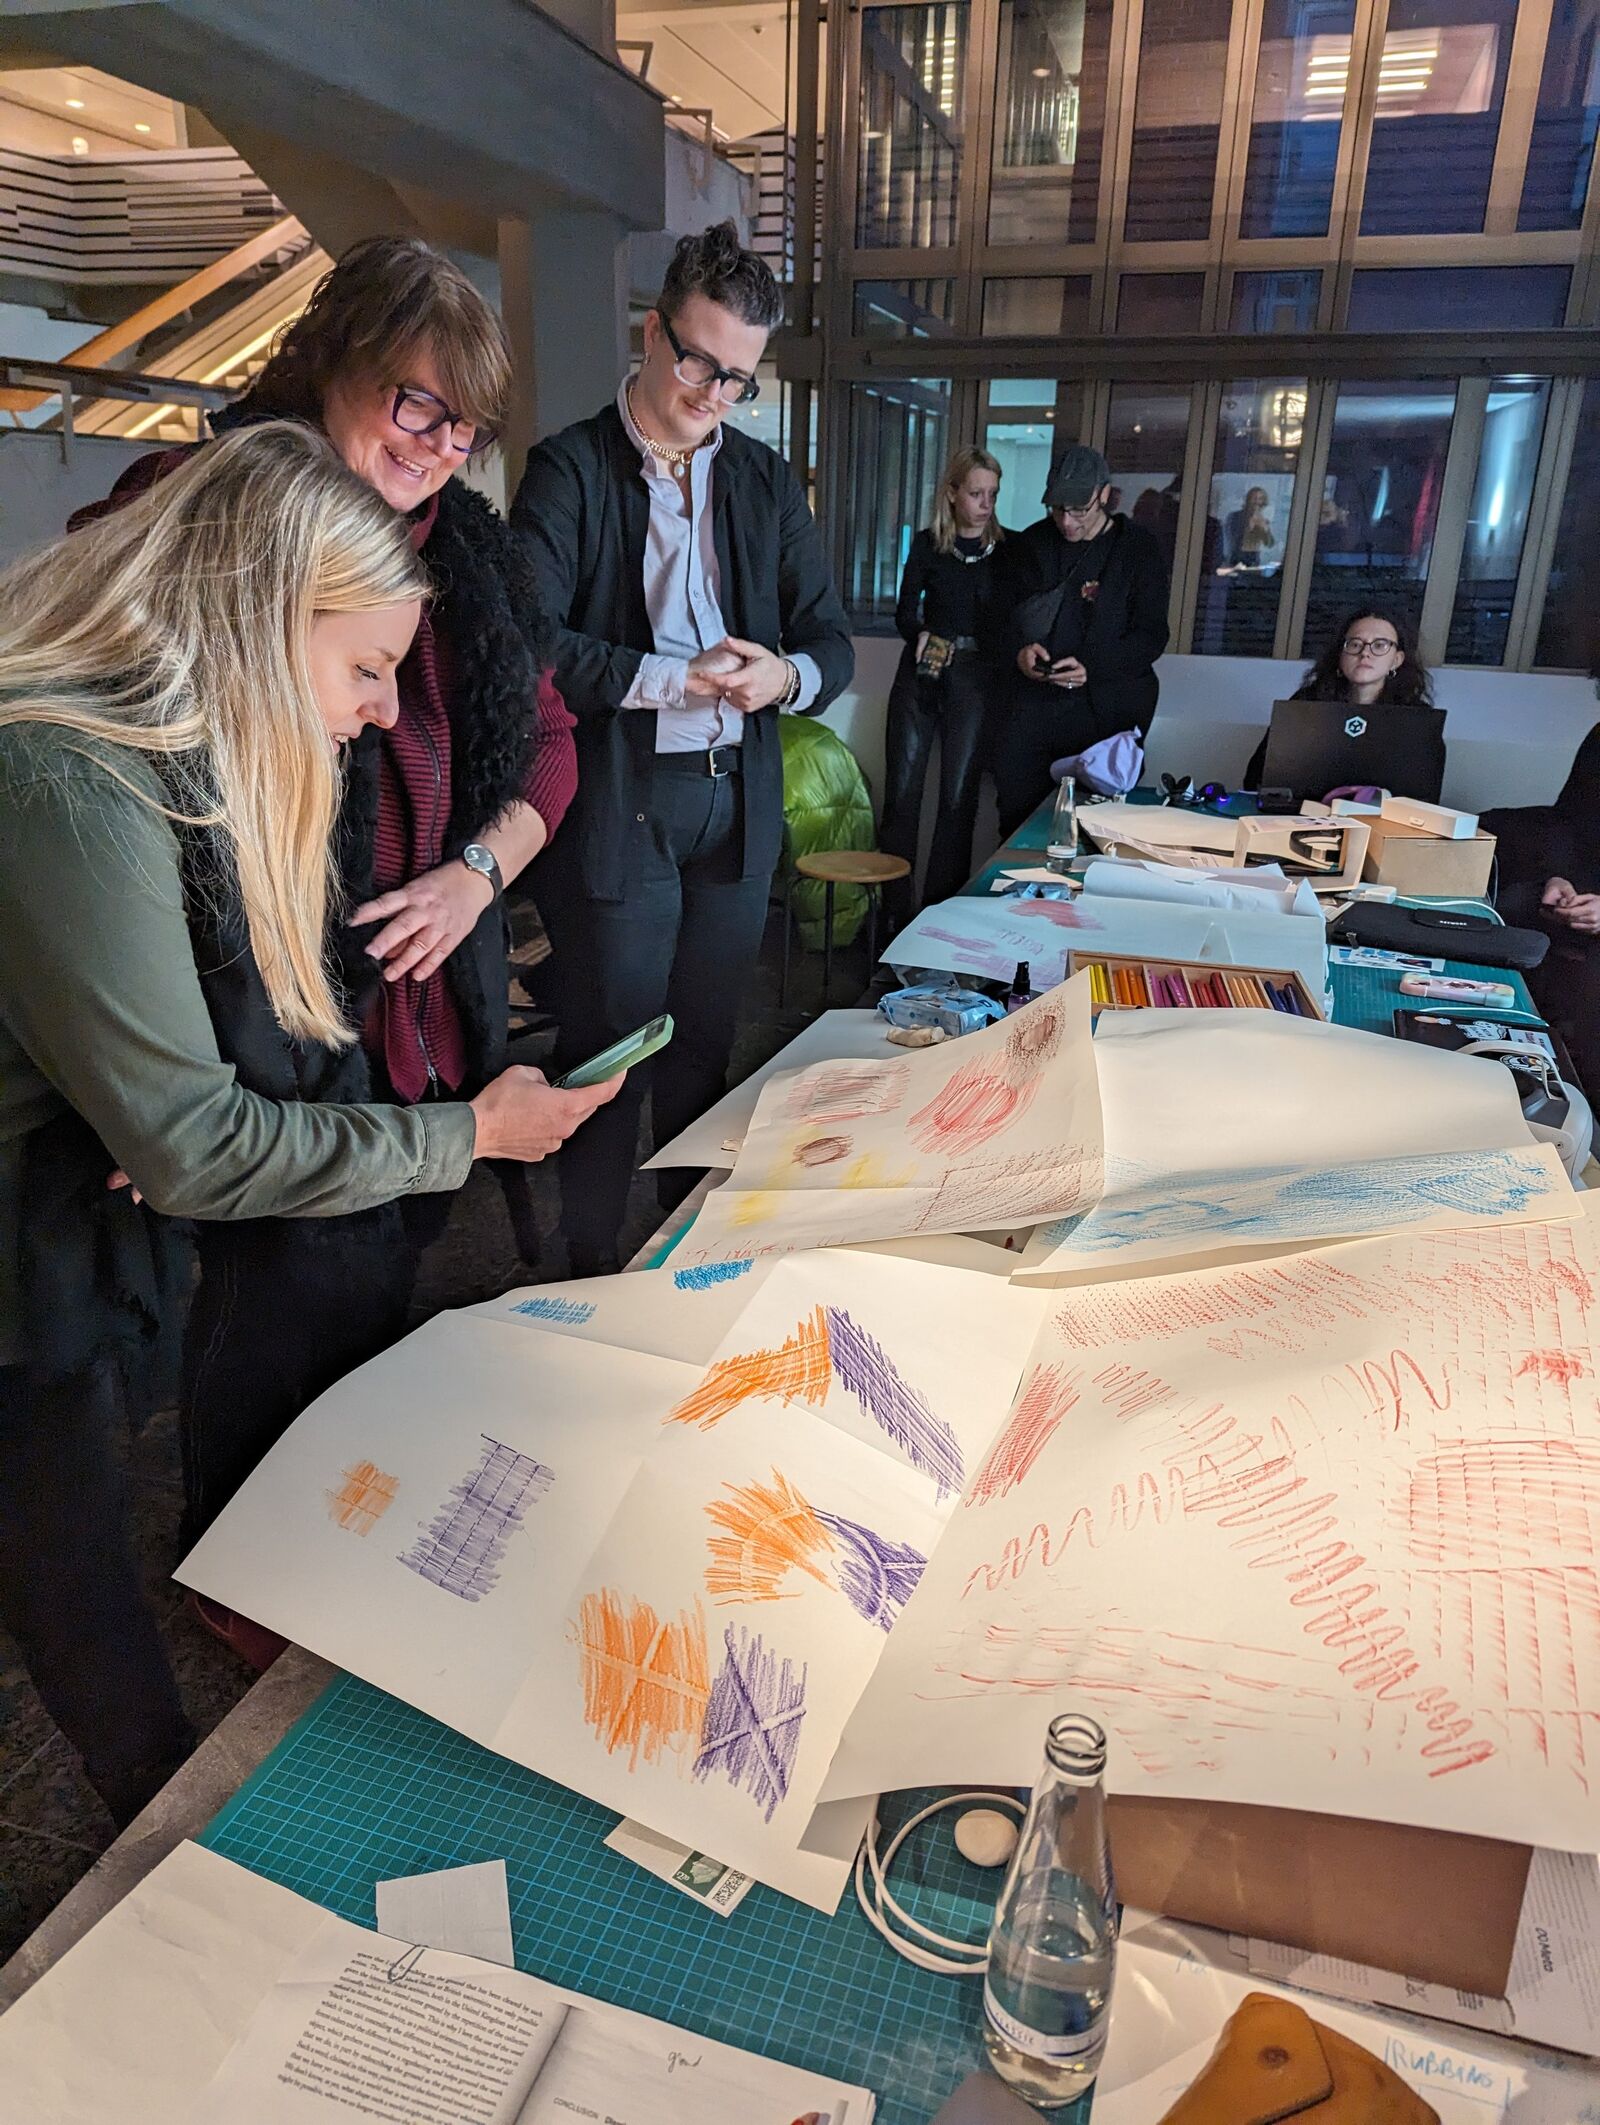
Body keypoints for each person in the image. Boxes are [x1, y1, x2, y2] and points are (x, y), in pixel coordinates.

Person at [0, 425, 618, 1824]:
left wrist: (143, 1107)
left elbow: (165, 1108)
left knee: (67, 1551)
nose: (383, 711)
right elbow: (196, 1143)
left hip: (61, 1212)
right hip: (29, 1249)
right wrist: (468, 1136)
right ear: (263, 615)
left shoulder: (149, 751)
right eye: (365, 669)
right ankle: (178, 1852)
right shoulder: (71, 772)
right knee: (71, 1564)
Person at [77, 237, 579, 1596]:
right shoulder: (206, 513)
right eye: (414, 401)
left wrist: (476, 869)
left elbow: (545, 745)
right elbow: (122, 805)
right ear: (329, 360)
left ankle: (328, 1562)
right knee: (267, 1315)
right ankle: (248, 1580)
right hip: (264, 1033)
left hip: (411, 1022)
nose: (437, 442)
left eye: (463, 420)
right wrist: (150, 1057)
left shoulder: (458, 557)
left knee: (373, 1296)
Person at [514, 221, 853, 1276]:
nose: (712, 391)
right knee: (612, 1049)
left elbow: (830, 640)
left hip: (735, 801)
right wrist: (675, 679)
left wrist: (784, 678)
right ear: (652, 331)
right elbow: (528, 639)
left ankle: (675, 1260)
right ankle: (582, 1259)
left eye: (737, 377)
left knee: (707, 1048)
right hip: (625, 797)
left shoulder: (760, 480)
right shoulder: (569, 466)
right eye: (699, 359)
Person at [990, 443, 1169, 838]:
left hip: (1105, 714)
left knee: (1096, 832)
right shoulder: (1031, 545)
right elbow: (998, 621)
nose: (1067, 522)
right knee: (1017, 826)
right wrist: (1020, 653)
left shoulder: (1137, 550)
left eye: (1079, 510)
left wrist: (1094, 668)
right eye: (1057, 509)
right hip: (1033, 711)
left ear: (1104, 495)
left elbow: (1152, 635)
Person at [879, 446, 1006, 909]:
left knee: (958, 801)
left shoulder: (1007, 550)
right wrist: (922, 633)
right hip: (922, 669)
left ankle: (939, 914)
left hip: (974, 679)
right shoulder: (926, 543)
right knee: (902, 796)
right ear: (952, 493)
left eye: (992, 493)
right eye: (976, 493)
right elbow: (904, 612)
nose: (985, 503)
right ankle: (891, 914)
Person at [1242, 606, 1436, 790]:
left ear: (1396, 660)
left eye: (1379, 645)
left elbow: (1423, 792)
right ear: (1340, 655)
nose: (1365, 653)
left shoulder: (1417, 717)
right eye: (1355, 644)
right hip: (1303, 817)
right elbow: (1256, 777)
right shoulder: (1307, 703)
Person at [1224, 485, 1275, 568]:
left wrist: (1265, 528)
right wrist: (1249, 526)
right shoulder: (1235, 516)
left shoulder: (1263, 519)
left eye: (1260, 498)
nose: (1257, 502)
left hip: (1255, 561)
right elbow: (1231, 541)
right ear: (1248, 500)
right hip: (1236, 562)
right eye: (1254, 498)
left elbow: (1269, 544)